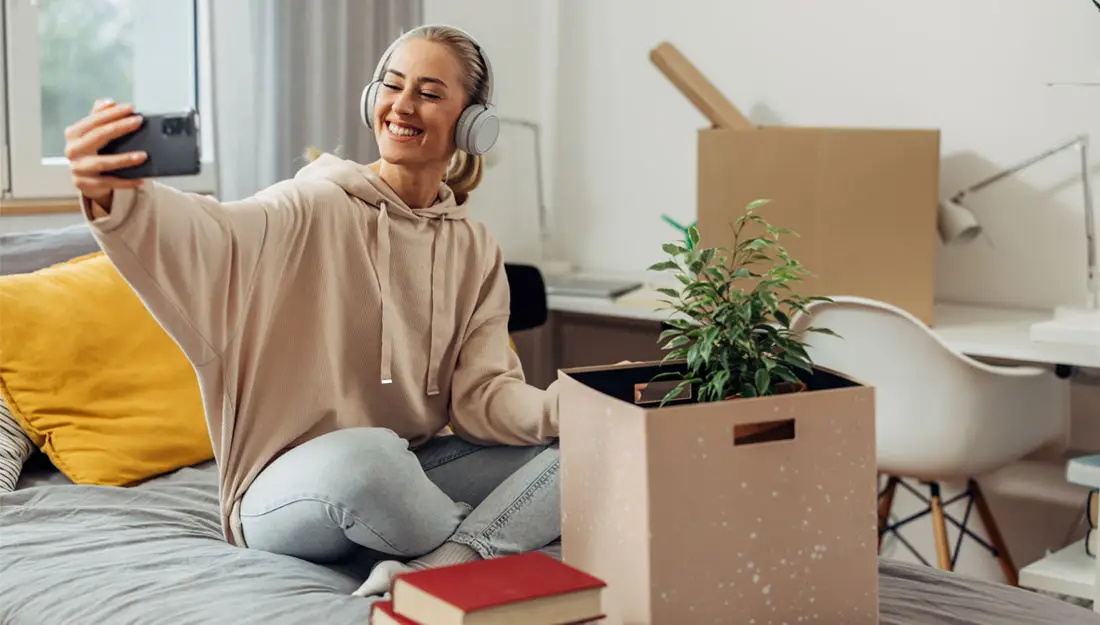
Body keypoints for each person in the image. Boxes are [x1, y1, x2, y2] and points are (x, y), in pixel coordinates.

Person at [63, 24, 561, 599]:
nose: (402, 105)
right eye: (392, 86)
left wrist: (563, 407)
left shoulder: (473, 247)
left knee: (586, 454)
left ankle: (444, 562)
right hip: (283, 492)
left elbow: (483, 398)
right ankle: (480, 538)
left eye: (428, 93)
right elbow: (213, 236)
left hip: (411, 467)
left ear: (472, 122)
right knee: (371, 459)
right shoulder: (311, 204)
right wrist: (116, 197)